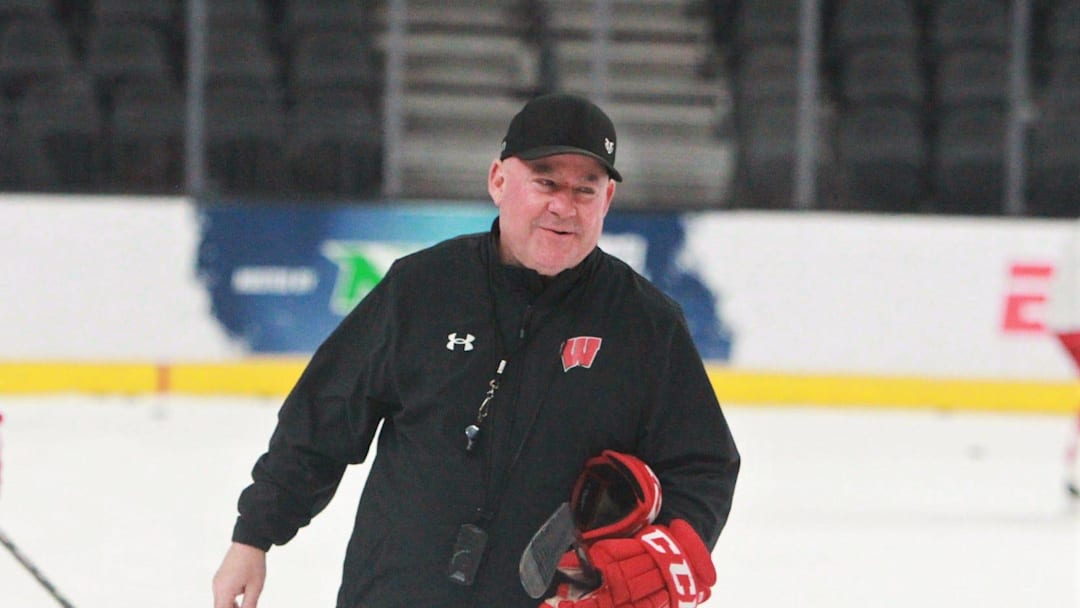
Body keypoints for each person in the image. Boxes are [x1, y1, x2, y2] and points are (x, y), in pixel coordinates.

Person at [212, 93, 740, 608]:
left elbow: (704, 464)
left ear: (608, 201)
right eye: (546, 182)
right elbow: (324, 416)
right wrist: (255, 535)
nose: (564, 205)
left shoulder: (645, 323)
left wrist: (664, 554)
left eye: (586, 189)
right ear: (498, 181)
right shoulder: (422, 287)